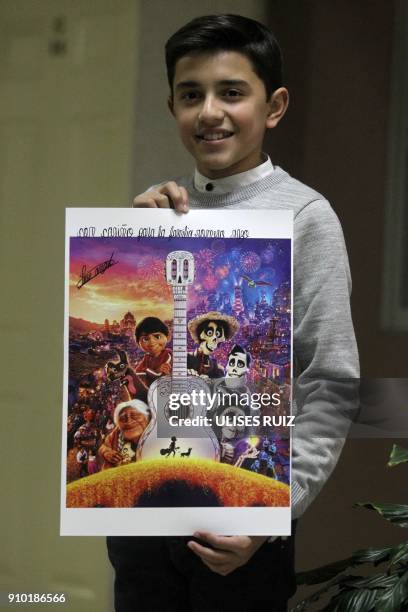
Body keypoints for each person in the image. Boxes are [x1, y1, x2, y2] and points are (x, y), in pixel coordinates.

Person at [107, 14, 359, 611]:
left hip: (243, 524)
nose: (210, 112)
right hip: (143, 522)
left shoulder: (306, 216)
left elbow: (332, 380)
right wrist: (131, 245)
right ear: (172, 106)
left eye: (232, 92)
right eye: (192, 95)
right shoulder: (159, 211)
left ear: (273, 106)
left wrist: (273, 515)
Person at [99, 399, 151, 470]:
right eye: (123, 418)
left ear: (147, 418)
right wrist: (106, 452)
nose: (129, 421)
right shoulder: (117, 433)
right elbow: (103, 447)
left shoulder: (157, 437)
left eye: (135, 416)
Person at [132, 316, 172, 401]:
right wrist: (155, 372)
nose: (152, 342)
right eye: (146, 339)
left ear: (167, 337)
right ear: (138, 343)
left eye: (157, 337)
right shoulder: (147, 358)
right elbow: (138, 374)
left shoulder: (169, 356)